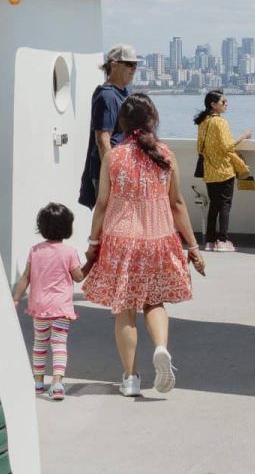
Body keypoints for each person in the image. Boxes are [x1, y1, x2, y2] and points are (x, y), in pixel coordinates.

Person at [83, 93, 206, 397]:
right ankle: (161, 348)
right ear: (153, 119)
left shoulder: (113, 156)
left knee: (125, 309)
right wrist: (192, 247)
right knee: (155, 301)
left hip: (121, 239)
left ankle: (130, 378)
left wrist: (93, 242)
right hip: (159, 237)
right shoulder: (165, 154)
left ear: (122, 122)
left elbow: (101, 203)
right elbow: (177, 204)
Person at [12, 202, 86, 401]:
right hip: (61, 308)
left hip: (40, 307)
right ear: (67, 228)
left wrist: (16, 298)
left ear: (41, 227)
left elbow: (25, 277)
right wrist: (91, 262)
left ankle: (37, 383)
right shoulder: (69, 252)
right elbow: (78, 277)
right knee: (59, 344)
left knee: (40, 344)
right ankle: (57, 383)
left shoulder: (35, 251)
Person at [78, 44, 139, 210]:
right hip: (111, 172)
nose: (133, 69)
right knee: (110, 221)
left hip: (121, 169)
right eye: (128, 64)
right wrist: (113, 174)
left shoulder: (123, 94)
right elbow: (103, 139)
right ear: (113, 64)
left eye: (135, 65)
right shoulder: (107, 96)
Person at [194, 89, 252, 251]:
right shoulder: (220, 122)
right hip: (224, 169)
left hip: (209, 169)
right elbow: (227, 146)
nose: (226, 104)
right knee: (225, 205)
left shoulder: (203, 122)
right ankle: (223, 240)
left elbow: (200, 147)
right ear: (213, 105)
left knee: (214, 205)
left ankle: (210, 241)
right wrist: (244, 136)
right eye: (223, 102)